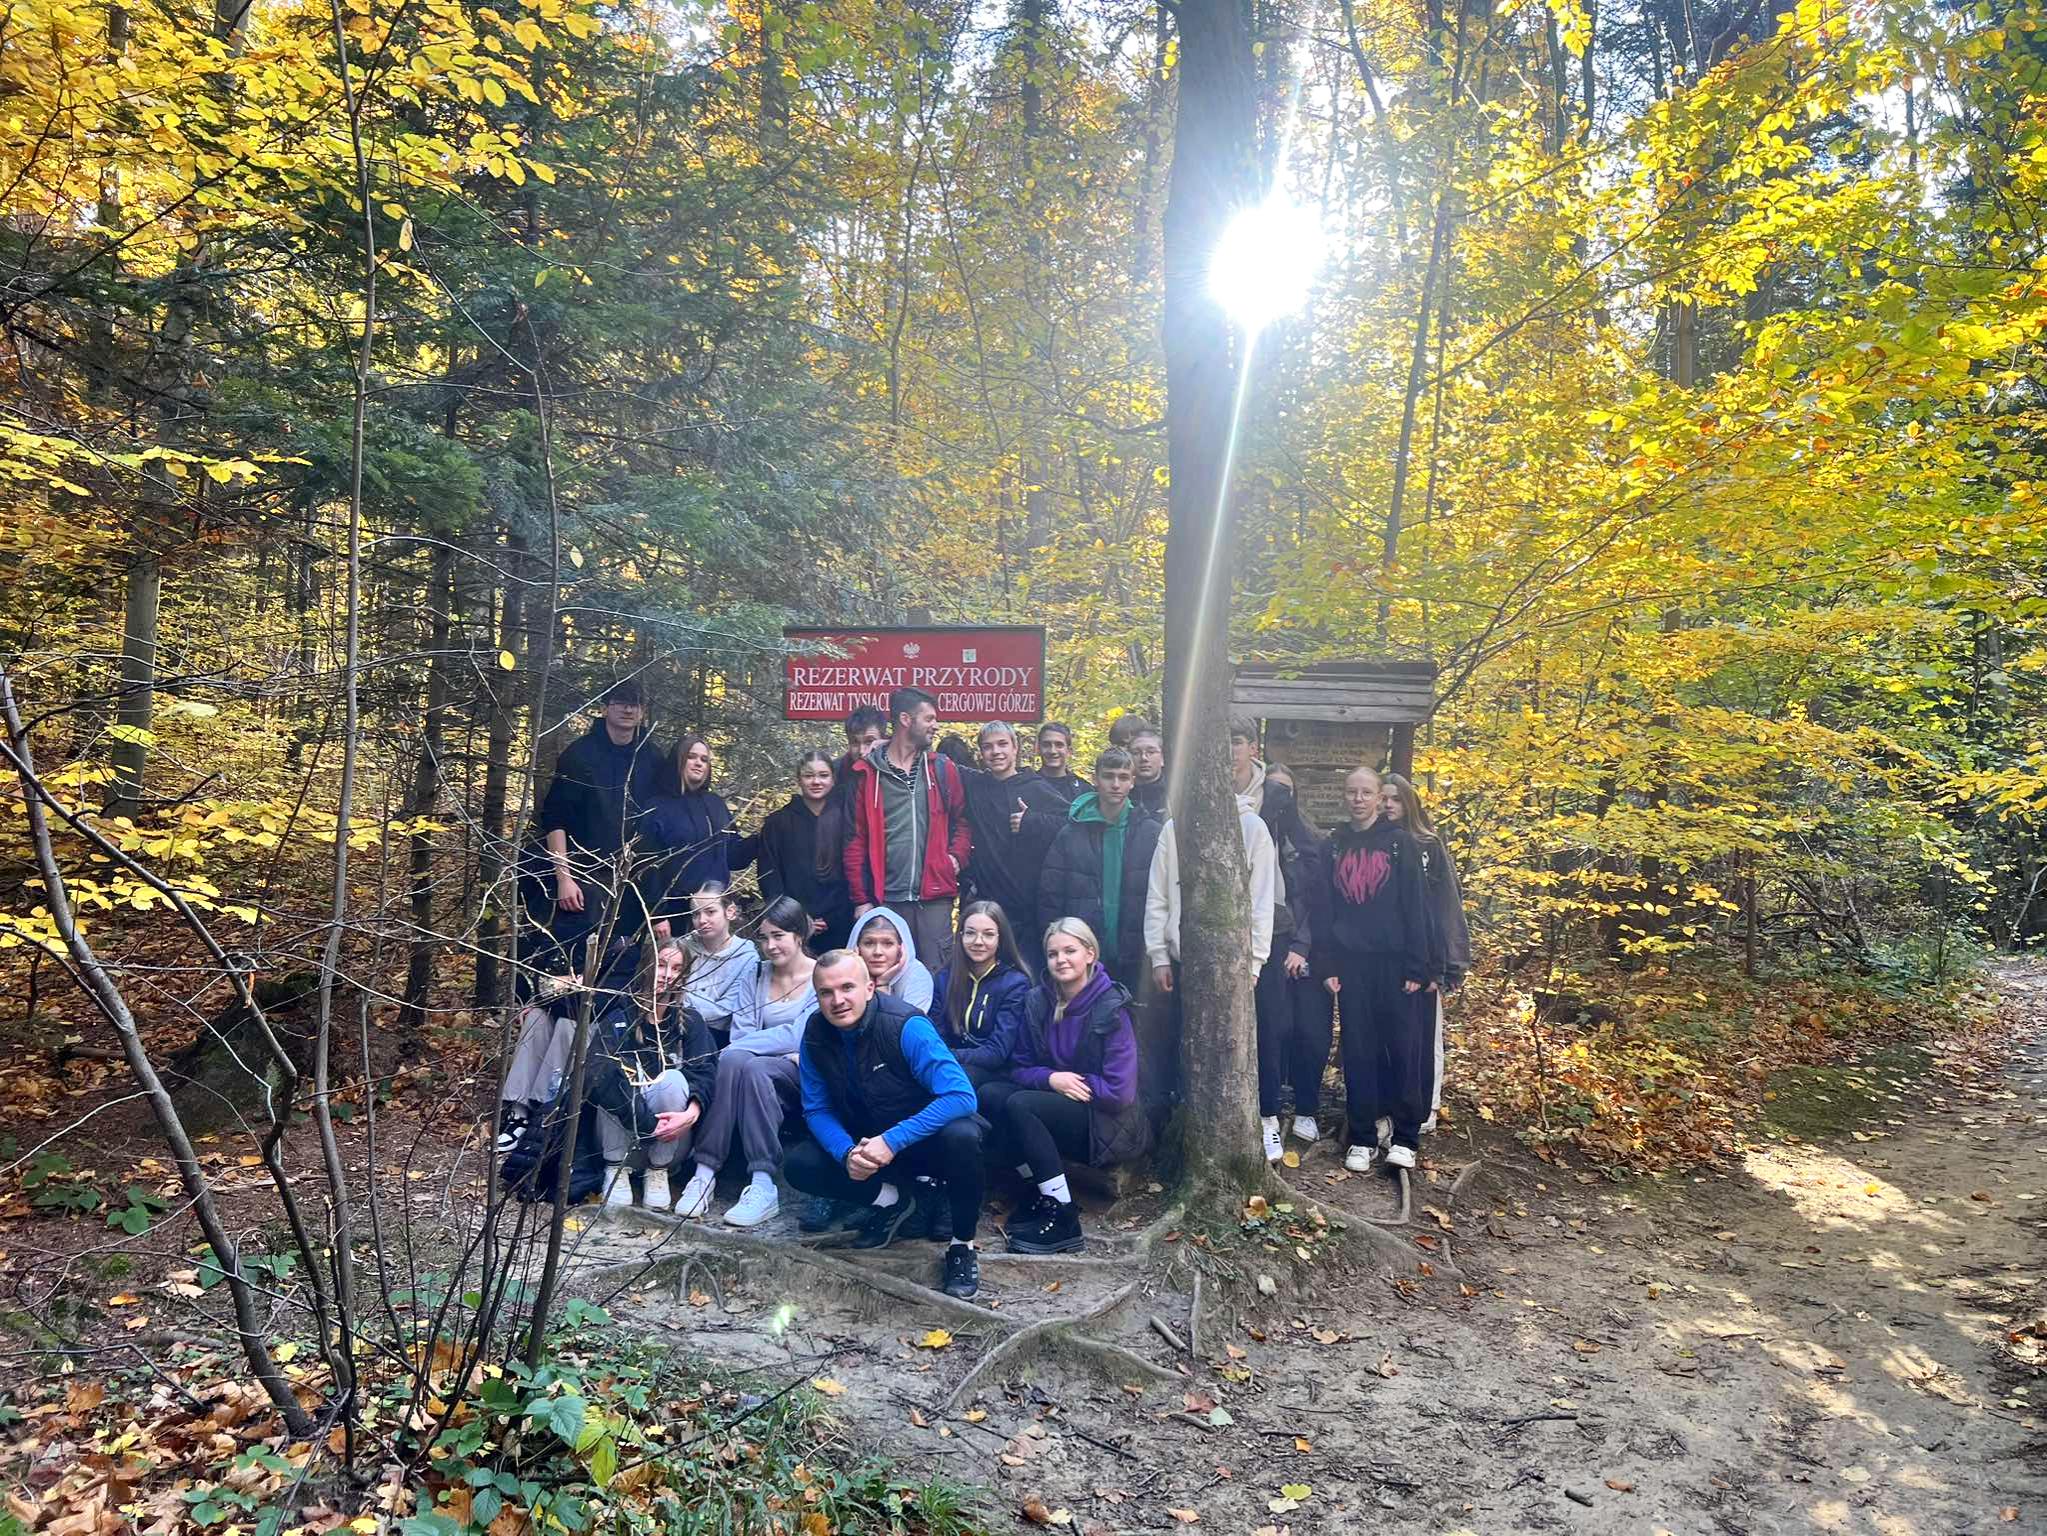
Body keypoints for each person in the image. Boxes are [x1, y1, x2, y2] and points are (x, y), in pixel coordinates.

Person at [785, 950, 986, 1299]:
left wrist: (892, 1140)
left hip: (923, 1142)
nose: (838, 1000)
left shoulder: (905, 1026)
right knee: (800, 1164)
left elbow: (961, 1096)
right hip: (867, 1146)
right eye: (826, 993)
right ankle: (891, 1201)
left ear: (870, 987)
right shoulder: (816, 1033)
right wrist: (846, 1153)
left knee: (964, 1135)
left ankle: (962, 1246)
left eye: (847, 987)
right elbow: (816, 1109)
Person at [979, 919, 1147, 1255]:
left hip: (1105, 1122)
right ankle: (1036, 1189)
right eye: (1053, 953)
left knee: (1021, 1105)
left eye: (1070, 951)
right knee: (990, 1094)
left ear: (1089, 954)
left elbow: (1120, 1092)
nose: (1061, 960)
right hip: (1056, 1100)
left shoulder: (1111, 1008)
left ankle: (1063, 1217)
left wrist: (1073, 1083)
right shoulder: (1038, 1001)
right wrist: (1052, 1079)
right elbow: (1019, 1068)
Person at [500, 940, 707, 1209]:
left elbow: (705, 1074)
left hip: (669, 1144)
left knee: (673, 1080)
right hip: (617, 1140)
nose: (668, 974)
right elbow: (597, 1073)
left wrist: (691, 1113)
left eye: (677, 968)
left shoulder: (691, 1022)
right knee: (609, 1071)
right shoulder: (620, 1013)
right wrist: (646, 1124)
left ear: (685, 975)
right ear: (647, 967)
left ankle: (658, 1173)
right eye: (661, 965)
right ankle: (615, 1170)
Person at [1143, 753, 1278, 1154]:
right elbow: (1158, 895)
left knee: (1235, 1047)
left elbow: (1262, 901)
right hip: (1183, 959)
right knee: (1183, 1044)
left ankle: (1257, 1125)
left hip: (1234, 964)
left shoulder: (1253, 829)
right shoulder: (1173, 829)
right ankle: (1182, 1130)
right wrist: (1159, 955)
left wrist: (1254, 961)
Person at [1309, 765, 1438, 1173]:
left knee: (1404, 1049)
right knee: (1359, 1050)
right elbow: (1324, 911)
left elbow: (1417, 909)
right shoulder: (1334, 846)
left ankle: (1405, 1137)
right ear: (1344, 797)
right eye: (1352, 792)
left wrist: (1419, 966)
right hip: (1352, 966)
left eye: (1366, 792)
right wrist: (1327, 963)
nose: (1359, 799)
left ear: (1379, 798)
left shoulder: (1400, 844)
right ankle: (1362, 1137)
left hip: (1398, 965)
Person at [673, 897, 818, 1227]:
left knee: (738, 1061)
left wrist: (758, 1050)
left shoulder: (818, 976)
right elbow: (741, 1031)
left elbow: (799, 1037)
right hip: (754, 1073)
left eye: (778, 935)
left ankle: (761, 1183)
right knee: (743, 1064)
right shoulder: (755, 974)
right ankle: (705, 1175)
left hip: (800, 1074)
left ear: (798, 935)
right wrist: (763, 1049)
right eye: (764, 937)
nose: (770, 945)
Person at [524, 680, 667, 982]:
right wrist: (564, 878)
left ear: (643, 711)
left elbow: (663, 820)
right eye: (620, 701)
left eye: (636, 703)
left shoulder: (652, 758)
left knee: (621, 970)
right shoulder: (579, 756)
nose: (628, 708)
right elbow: (555, 819)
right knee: (570, 972)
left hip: (633, 884)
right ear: (605, 708)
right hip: (582, 883)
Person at [844, 687, 972, 967]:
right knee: (887, 976)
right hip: (886, 897)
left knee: (938, 975)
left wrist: (954, 859)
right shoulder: (868, 774)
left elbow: (962, 821)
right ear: (905, 719)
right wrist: (861, 899)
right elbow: (855, 840)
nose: (935, 725)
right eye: (928, 719)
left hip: (935, 897)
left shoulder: (942, 769)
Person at [1381, 773, 1470, 1137]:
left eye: (1396, 799)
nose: (1389, 805)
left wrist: (1446, 966)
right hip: (1386, 958)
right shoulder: (1376, 844)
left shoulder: (1428, 845)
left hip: (1426, 960)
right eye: (1384, 798)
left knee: (1424, 1037)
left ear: (1409, 803)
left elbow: (1447, 905)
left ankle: (1426, 1106)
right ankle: (1386, 1106)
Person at [1035, 747, 1164, 990]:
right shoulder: (1072, 833)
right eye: (1108, 776)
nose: (1116, 784)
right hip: (1083, 954)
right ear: (1095, 779)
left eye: (1123, 777)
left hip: (1137, 954)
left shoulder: (1151, 833)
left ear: (1132, 782)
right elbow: (1049, 896)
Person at [1254, 763, 1333, 1154]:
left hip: (1310, 950)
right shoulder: (1254, 832)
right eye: (1273, 788)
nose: (1279, 797)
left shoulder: (1313, 840)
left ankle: (1306, 1108)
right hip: (1267, 948)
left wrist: (1302, 946)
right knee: (1275, 1029)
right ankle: (1269, 1109)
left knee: (1312, 1032)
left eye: (1286, 789)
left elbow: (1320, 901)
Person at [733, 750, 855, 951]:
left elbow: (854, 871)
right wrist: (796, 918)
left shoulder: (847, 819)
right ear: (798, 779)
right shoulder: (777, 823)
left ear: (833, 779)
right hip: (792, 926)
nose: (816, 781)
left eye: (823, 775)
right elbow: (769, 876)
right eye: (809, 775)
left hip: (841, 922)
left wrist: (834, 918)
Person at [935, 721, 1041, 933]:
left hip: (1025, 903)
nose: (996, 752)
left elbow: (1068, 823)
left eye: (1002, 744)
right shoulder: (974, 783)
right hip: (982, 898)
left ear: (1015, 747)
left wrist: (1032, 821)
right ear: (981, 752)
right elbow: (936, 762)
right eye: (988, 746)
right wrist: (887, 744)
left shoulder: (1036, 787)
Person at [930, 901, 1031, 1085]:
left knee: (959, 1077)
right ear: (960, 936)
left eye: (988, 934)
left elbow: (997, 1052)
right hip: (949, 1064)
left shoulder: (1015, 984)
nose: (978, 941)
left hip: (995, 1073)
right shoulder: (944, 978)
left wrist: (947, 1056)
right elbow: (936, 1034)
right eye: (970, 933)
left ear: (1001, 938)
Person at [647, 734, 737, 926]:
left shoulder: (716, 804)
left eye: (704, 760)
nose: (699, 763)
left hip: (716, 908)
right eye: (692, 757)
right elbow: (646, 866)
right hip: (674, 912)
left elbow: (734, 855)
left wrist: (762, 837)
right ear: (678, 760)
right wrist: (657, 915)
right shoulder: (657, 807)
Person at [681, 882, 759, 1048]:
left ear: (729, 912)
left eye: (710, 912)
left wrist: (685, 1001)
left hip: (719, 1038)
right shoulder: (683, 948)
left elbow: (727, 1012)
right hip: (677, 1029)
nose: (702, 920)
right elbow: (669, 997)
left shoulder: (747, 958)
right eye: (695, 914)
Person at [853, 905, 935, 1011]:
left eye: (888, 943)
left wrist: (882, 985)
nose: (878, 952)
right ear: (857, 947)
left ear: (901, 948)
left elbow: (903, 1025)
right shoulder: (846, 974)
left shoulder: (917, 975)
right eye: (869, 943)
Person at [1126, 721, 1169, 817]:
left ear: (1162, 758)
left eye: (1151, 752)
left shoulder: (1174, 794)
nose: (1144, 758)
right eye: (1136, 753)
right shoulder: (1120, 794)